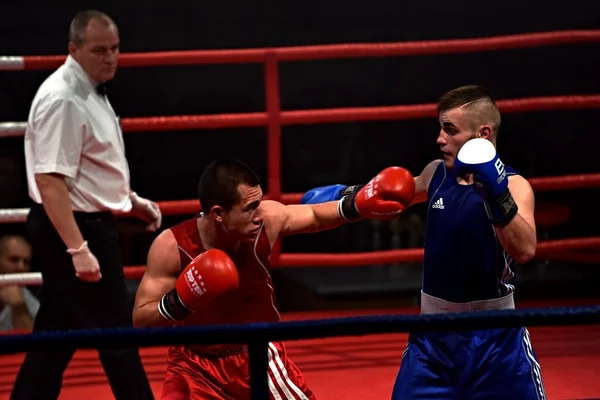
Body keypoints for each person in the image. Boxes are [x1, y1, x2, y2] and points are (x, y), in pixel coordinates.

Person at [301, 85, 546, 399]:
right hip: (432, 339)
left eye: (450, 130)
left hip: (496, 339)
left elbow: (525, 250)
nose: (440, 139)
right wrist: (343, 196)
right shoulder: (435, 174)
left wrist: (496, 195)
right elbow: (392, 193)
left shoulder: (514, 185)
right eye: (440, 128)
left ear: (482, 134)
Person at [132, 158, 415, 400]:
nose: (259, 214)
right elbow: (141, 319)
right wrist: (181, 301)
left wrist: (359, 203)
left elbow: (314, 214)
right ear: (218, 213)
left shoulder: (266, 218)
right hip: (193, 364)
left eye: (259, 202)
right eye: (249, 208)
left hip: (256, 355)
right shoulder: (172, 246)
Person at [12, 10, 158, 400]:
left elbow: (91, 164)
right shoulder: (64, 98)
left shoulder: (91, 88)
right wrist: (79, 249)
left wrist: (131, 201)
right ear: (73, 50)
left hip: (83, 222)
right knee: (116, 334)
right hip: (76, 228)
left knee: (55, 335)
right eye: (99, 50)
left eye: (115, 49)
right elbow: (50, 180)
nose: (110, 58)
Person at [0, 234, 39, 331]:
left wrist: (19, 308)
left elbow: (32, 344)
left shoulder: (29, 300)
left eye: (26, 262)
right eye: (14, 259)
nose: (21, 267)